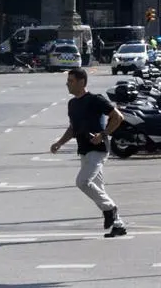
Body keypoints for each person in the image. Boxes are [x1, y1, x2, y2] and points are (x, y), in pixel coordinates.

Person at [50, 68, 126, 238]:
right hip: (84, 149)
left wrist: (103, 134)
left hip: (98, 149)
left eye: (71, 81)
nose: (67, 84)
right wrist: (60, 143)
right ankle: (118, 224)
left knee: (83, 182)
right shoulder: (72, 104)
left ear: (81, 82)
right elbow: (73, 128)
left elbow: (118, 117)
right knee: (98, 188)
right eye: (67, 81)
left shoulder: (95, 100)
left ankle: (110, 209)